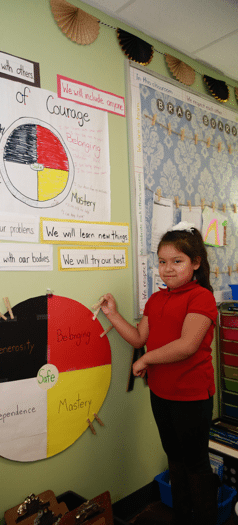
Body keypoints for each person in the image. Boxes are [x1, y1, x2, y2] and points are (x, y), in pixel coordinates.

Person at [101, 222, 219, 525]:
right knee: (175, 459)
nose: (167, 269)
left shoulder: (202, 297)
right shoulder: (156, 299)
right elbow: (140, 339)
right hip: (161, 393)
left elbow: (187, 345)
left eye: (176, 262)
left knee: (195, 463)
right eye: (162, 262)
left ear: (195, 263)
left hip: (192, 394)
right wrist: (113, 314)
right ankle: (181, 516)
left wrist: (145, 361)